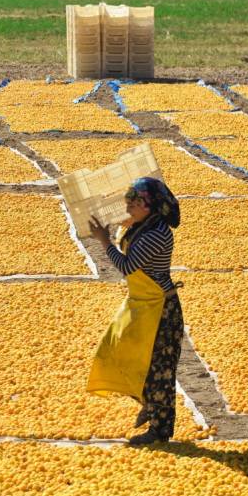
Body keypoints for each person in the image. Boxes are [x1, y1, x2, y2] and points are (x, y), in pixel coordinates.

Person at [86, 177, 183, 446]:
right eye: (129, 199)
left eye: (135, 201)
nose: (128, 204)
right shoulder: (143, 226)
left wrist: (104, 242)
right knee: (117, 352)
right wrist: (122, 228)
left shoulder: (157, 234)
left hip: (160, 309)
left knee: (158, 369)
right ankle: (150, 403)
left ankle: (160, 429)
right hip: (141, 303)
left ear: (149, 206)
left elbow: (128, 266)